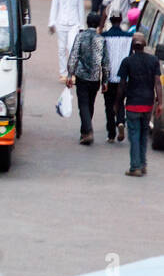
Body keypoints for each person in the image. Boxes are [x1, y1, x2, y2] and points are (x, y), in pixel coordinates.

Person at [118, 31, 162, 176]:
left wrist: (118, 103)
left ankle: (135, 167)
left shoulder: (127, 61)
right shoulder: (154, 61)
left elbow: (122, 86)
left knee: (134, 135)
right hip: (148, 104)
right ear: (144, 46)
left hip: (132, 104)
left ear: (133, 46)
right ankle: (143, 164)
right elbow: (158, 83)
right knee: (143, 135)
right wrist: (160, 103)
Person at [65, 11, 106, 145]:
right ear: (99, 23)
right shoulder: (101, 39)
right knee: (90, 104)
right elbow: (106, 62)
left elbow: (74, 56)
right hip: (95, 78)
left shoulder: (80, 36)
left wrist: (70, 75)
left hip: (82, 76)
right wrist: (105, 80)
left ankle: (88, 131)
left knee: (83, 105)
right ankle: (85, 133)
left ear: (87, 23)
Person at [49, 0, 86, 80]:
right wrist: (51, 23)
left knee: (71, 48)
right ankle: (63, 73)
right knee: (61, 49)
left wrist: (82, 26)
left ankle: (72, 72)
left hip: (74, 24)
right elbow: (54, 6)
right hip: (61, 23)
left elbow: (81, 8)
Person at [102, 10, 133, 143]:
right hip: (123, 78)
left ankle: (111, 134)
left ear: (110, 20)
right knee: (120, 101)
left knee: (109, 104)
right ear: (120, 20)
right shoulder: (128, 37)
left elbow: (103, 58)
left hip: (109, 76)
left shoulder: (104, 36)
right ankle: (120, 121)